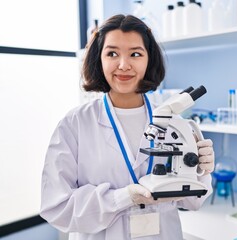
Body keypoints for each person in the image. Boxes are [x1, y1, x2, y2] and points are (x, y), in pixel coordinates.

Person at [40, 14, 214, 240]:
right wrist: (123, 197)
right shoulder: (75, 124)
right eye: (112, 53)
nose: (124, 65)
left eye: (135, 54)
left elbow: (193, 201)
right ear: (98, 59)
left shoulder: (173, 122)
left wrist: (201, 170)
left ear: (149, 59)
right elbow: (56, 206)